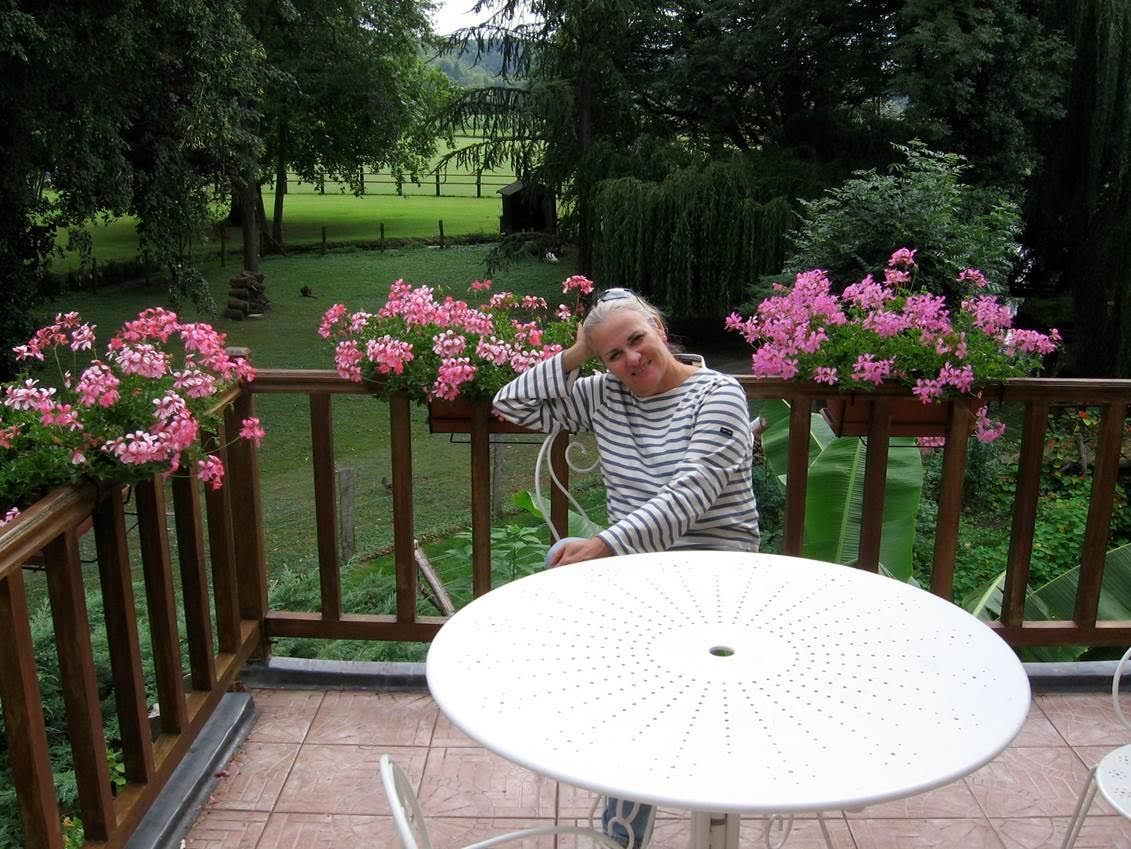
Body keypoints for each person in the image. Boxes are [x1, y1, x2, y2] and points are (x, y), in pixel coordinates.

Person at [492, 287, 760, 848]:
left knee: (651, 682)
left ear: (659, 329)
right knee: (611, 667)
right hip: (638, 574)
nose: (631, 360)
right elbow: (510, 404)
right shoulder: (604, 394)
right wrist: (576, 354)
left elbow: (692, 495)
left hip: (717, 574)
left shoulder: (720, 394)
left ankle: (640, 798)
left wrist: (605, 546)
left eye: (636, 340)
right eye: (614, 354)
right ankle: (627, 792)